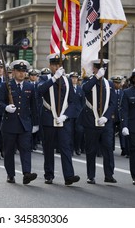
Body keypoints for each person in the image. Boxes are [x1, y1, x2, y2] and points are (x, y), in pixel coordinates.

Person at [38, 54, 80, 186]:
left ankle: (69, 176)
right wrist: (54, 78)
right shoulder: (44, 78)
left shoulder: (67, 80)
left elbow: (73, 102)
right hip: (49, 117)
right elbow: (39, 90)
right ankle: (49, 175)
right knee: (48, 148)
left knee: (65, 147)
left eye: (59, 65)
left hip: (63, 119)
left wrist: (66, 115)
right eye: (54, 65)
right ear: (50, 65)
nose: (56, 67)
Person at [0, 59, 39, 185]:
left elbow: (34, 106)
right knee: (9, 151)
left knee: (26, 149)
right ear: (13, 72)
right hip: (9, 125)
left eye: (23, 71)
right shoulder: (5, 85)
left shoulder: (29, 86)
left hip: (24, 124)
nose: (22, 74)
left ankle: (27, 174)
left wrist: (35, 123)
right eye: (19, 71)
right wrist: (6, 107)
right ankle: (10, 174)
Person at [80, 59, 117, 184]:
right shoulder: (89, 81)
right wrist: (96, 77)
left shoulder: (109, 84)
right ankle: (91, 175)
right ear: (94, 69)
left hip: (105, 122)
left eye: (104, 69)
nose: (103, 71)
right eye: (100, 68)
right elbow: (85, 89)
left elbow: (113, 103)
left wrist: (106, 117)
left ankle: (109, 175)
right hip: (91, 120)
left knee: (108, 148)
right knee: (91, 149)